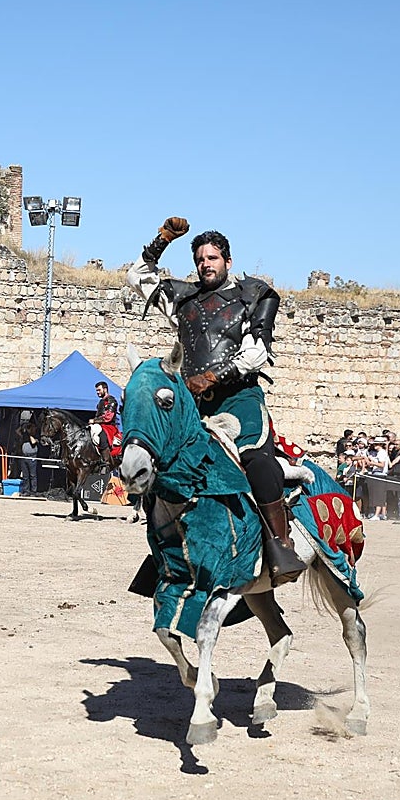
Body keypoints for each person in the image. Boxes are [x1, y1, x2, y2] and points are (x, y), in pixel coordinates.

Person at [127, 219, 305, 585]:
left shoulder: (255, 295)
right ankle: (164, 555)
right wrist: (162, 241)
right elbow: (138, 274)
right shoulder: (183, 298)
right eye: (200, 259)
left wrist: (213, 376)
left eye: (212, 257)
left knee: (257, 462)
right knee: (163, 465)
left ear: (227, 259)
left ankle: (280, 545)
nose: (205, 264)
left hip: (239, 400)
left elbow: (256, 354)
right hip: (195, 407)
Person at [88, 381, 121, 463]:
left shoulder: (111, 401)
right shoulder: (101, 402)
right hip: (99, 424)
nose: (98, 392)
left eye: (99, 390)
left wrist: (94, 420)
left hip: (109, 426)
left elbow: (108, 418)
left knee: (102, 435)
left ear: (105, 389)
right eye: (97, 391)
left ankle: (106, 461)